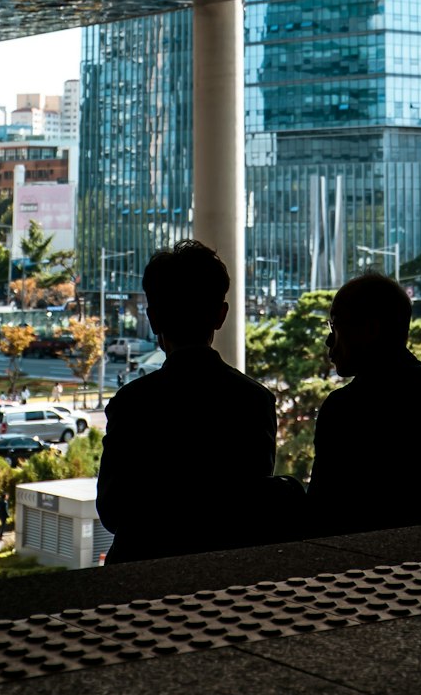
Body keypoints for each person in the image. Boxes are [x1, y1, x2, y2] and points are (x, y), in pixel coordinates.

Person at [96, 240, 285, 564]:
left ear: (154, 319)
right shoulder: (254, 401)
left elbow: (113, 511)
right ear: (220, 316)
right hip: (226, 577)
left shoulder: (132, 403)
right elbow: (254, 505)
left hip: (140, 576)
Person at [307, 272, 421, 536]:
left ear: (370, 329)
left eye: (336, 326)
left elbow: (323, 515)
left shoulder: (344, 409)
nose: (329, 341)